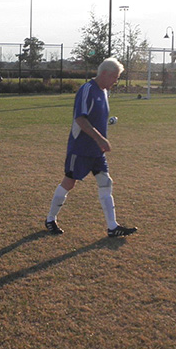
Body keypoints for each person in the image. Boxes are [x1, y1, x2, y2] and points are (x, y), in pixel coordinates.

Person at [44, 57, 137, 238]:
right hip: (80, 148)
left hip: (96, 151)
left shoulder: (104, 92)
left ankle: (112, 227)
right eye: (115, 77)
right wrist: (100, 139)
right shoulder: (87, 89)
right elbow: (80, 119)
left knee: (105, 182)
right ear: (105, 73)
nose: (115, 81)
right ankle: (50, 219)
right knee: (69, 182)